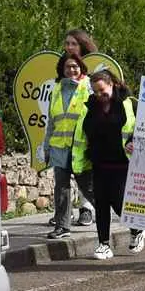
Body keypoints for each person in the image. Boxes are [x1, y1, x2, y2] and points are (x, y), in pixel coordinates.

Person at [71, 70, 145, 260]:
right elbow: (81, 136)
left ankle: (137, 229)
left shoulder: (129, 104)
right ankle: (103, 244)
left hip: (123, 163)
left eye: (102, 91)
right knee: (102, 204)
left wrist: (134, 141)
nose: (99, 96)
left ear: (112, 84)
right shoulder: (89, 106)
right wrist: (79, 163)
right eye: (95, 92)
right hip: (99, 162)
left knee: (120, 202)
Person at [44, 54, 96, 238]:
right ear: (62, 70)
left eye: (75, 66)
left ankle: (127, 220)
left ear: (81, 67)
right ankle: (62, 227)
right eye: (68, 67)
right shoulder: (57, 89)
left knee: (89, 189)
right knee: (62, 189)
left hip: (80, 150)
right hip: (59, 148)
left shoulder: (88, 87)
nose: (72, 70)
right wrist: (47, 146)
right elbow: (51, 121)